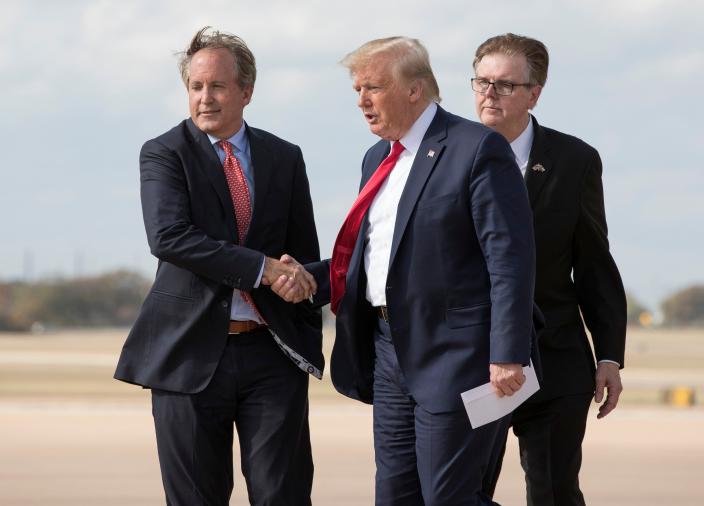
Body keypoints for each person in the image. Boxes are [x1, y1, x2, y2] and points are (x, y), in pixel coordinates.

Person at [274, 36, 538, 505]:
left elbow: (509, 261)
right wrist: (311, 278)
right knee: (394, 497)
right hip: (388, 355)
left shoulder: (476, 149)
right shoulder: (377, 158)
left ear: (415, 90)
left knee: (448, 498)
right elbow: (373, 258)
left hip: (460, 357)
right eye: (357, 89)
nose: (361, 101)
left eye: (372, 87)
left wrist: (508, 352)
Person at [114, 26, 321, 506]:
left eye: (218, 86)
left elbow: (302, 252)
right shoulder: (164, 153)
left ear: (247, 91)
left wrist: (300, 282)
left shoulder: (284, 157)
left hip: (272, 353)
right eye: (196, 87)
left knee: (284, 496)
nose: (205, 98)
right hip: (188, 355)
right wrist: (263, 270)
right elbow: (170, 238)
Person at [472, 33, 627, 505]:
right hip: (474, 360)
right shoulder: (445, 155)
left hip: (556, 357)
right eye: (481, 82)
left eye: (504, 85)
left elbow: (594, 263)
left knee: (555, 492)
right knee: (463, 492)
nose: (488, 94)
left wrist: (609, 355)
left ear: (534, 93)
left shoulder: (574, 160)